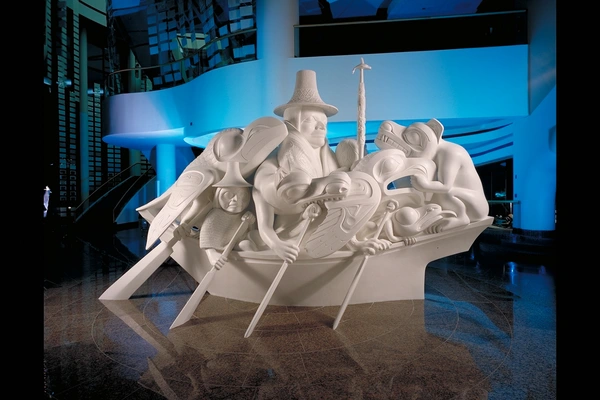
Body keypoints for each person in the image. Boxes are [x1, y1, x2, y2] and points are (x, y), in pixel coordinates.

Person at [252, 70, 352, 263]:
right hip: (292, 237)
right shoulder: (272, 168)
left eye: (323, 123)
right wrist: (275, 244)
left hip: (328, 231)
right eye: (309, 121)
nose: (321, 127)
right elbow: (265, 199)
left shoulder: (331, 160)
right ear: (291, 125)